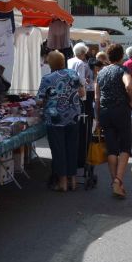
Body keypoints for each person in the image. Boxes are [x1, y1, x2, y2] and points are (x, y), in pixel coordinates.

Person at [37, 50, 85, 192]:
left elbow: (39, 100)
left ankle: (63, 182)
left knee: (59, 149)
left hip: (55, 118)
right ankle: (73, 181)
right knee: (72, 147)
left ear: (50, 63)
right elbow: (82, 93)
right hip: (73, 116)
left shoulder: (48, 78)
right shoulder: (73, 74)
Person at [95, 43, 132, 198]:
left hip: (105, 112)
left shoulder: (101, 72)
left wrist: (98, 116)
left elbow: (96, 97)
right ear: (121, 57)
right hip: (121, 111)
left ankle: (115, 182)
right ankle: (118, 180)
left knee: (111, 148)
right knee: (125, 147)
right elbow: (129, 86)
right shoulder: (123, 70)